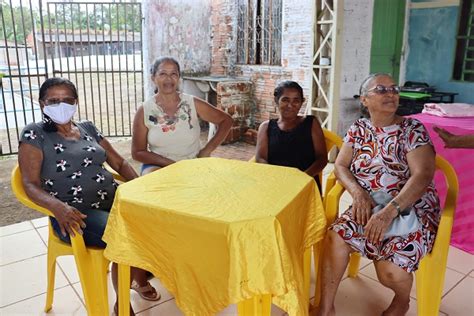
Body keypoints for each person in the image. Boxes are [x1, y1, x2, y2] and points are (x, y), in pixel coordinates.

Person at [18, 78, 159, 315]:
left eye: (67, 100)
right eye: (53, 100)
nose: (60, 105)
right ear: (42, 104)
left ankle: (136, 276)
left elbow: (119, 161)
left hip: (114, 200)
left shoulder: (87, 128)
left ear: (76, 102)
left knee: (153, 221)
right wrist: (58, 207)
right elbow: (29, 184)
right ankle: (122, 305)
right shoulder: (35, 134)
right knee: (125, 236)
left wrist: (138, 188)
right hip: (74, 213)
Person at [317, 73, 440, 316]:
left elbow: (423, 174)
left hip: (409, 209)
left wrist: (389, 212)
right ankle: (325, 308)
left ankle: (402, 300)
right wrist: (358, 194)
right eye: (381, 89)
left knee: (389, 272)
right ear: (364, 100)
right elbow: (341, 165)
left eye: (394, 89)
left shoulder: (411, 129)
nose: (391, 93)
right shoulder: (359, 128)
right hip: (369, 204)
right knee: (334, 239)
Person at [132, 57, 233, 174]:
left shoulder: (192, 103)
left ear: (179, 78)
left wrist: (206, 151)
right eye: (163, 74)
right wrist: (170, 164)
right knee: (157, 185)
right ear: (153, 78)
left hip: (192, 163)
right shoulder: (145, 110)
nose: (168, 79)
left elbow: (226, 121)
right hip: (159, 165)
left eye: (173, 74)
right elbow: (137, 152)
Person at [255, 80, 327, 190]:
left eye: (296, 100)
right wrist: (275, 178)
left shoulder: (311, 123)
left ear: (302, 102)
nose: (290, 105)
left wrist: (302, 178)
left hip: (304, 184)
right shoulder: (266, 127)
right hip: (274, 184)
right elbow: (261, 158)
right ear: (276, 100)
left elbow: (322, 158)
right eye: (285, 100)